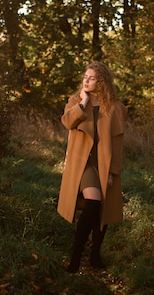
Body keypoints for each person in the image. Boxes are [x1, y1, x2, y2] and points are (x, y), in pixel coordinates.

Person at [57, 61, 127, 273]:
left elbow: (117, 142)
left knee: (102, 211)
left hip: (103, 162)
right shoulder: (75, 101)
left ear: (102, 81)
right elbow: (67, 122)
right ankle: (75, 258)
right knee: (94, 202)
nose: (86, 80)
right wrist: (83, 103)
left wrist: (113, 171)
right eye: (85, 77)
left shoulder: (115, 107)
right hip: (83, 162)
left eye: (91, 78)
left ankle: (95, 255)